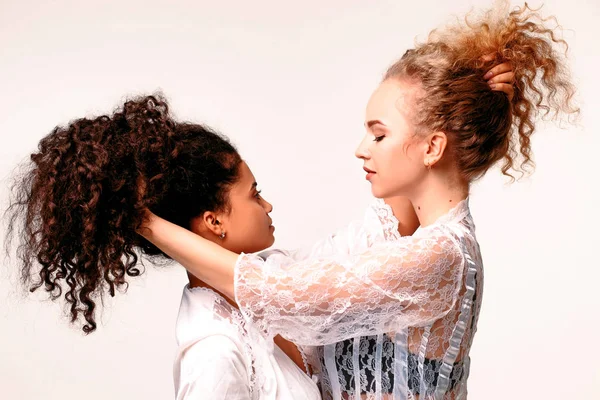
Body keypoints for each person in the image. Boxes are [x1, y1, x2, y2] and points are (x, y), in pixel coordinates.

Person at [137, 3, 578, 399]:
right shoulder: (413, 234)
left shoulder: (439, 256)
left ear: (431, 148)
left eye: (379, 134)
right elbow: (426, 149)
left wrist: (143, 221)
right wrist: (472, 90)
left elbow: (275, 293)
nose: (361, 148)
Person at [5, 96, 321, 399]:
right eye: (255, 194)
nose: (267, 205)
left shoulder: (278, 272)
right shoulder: (214, 351)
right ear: (213, 221)